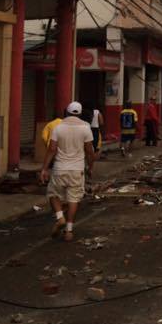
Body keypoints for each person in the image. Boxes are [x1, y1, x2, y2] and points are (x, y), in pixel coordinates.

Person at [39, 102, 95, 242]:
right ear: (80, 113)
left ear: (67, 112)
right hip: (77, 169)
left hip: (59, 168)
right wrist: (90, 167)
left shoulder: (58, 127)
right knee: (73, 199)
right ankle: (69, 231)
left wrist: (44, 168)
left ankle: (60, 217)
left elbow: (51, 149)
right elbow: (90, 151)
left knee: (53, 194)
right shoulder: (85, 128)